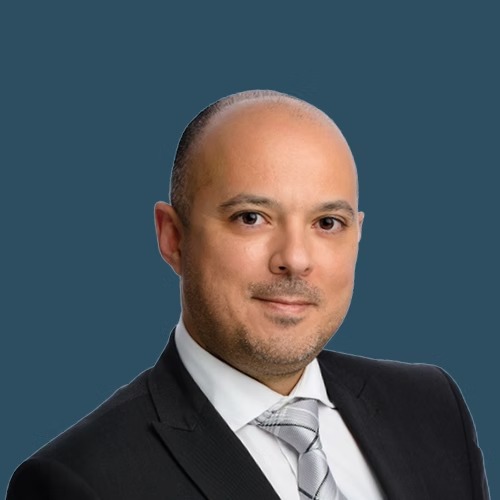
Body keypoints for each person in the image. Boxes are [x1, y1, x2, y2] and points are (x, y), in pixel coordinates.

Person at [7, 90, 489, 499]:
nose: (295, 259)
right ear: (173, 238)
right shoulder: (78, 482)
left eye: (327, 223)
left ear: (357, 236)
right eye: (251, 218)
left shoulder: (432, 408)